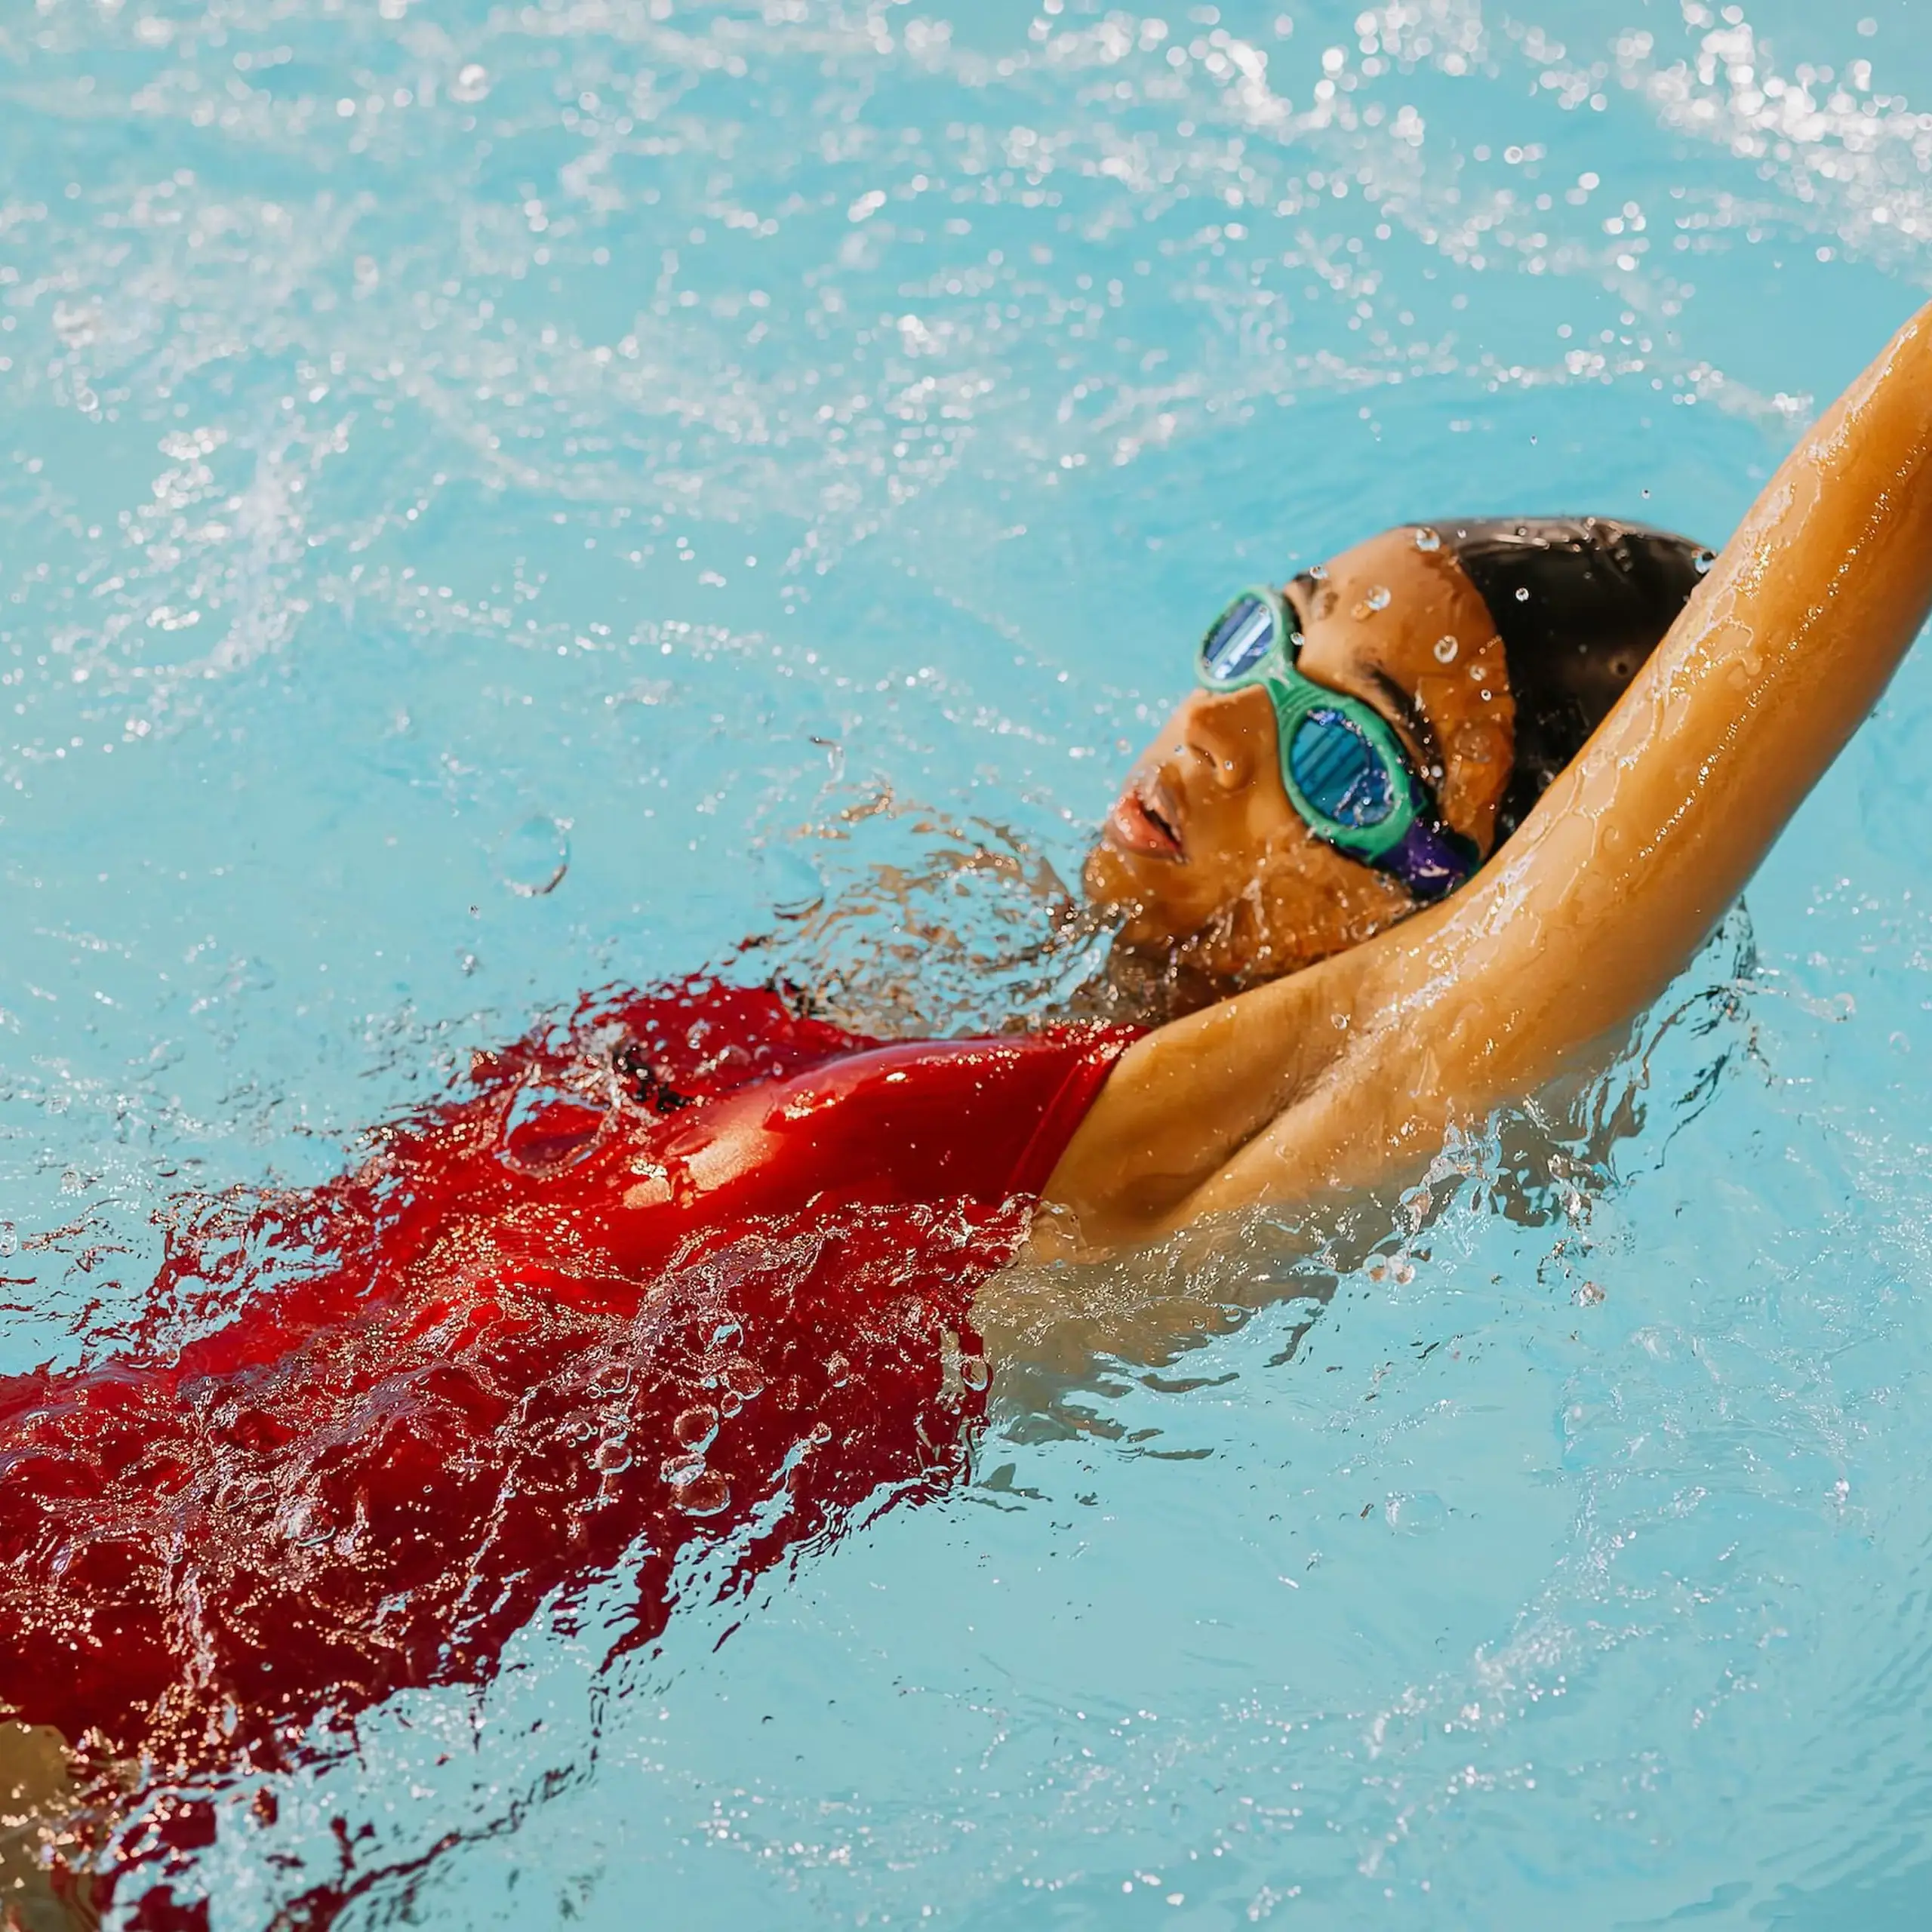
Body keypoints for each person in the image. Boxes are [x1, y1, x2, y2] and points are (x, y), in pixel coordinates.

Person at [7, 300, 1932, 1926]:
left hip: (67, 1769)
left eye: (1341, 755)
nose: (1209, 737)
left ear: (1476, 905)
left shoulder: (1153, 1174)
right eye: (1265, 644)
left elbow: (1784, 638)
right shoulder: (904, 992)